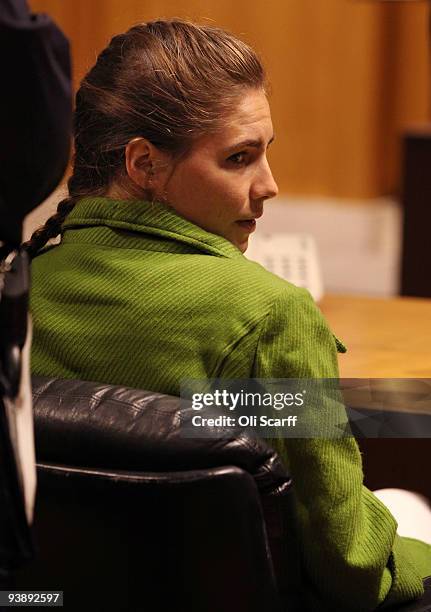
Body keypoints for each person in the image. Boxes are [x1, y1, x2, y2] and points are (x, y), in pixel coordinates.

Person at [26, 19, 431, 611]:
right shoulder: (271, 315)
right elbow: (352, 566)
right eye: (239, 158)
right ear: (143, 165)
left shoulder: (21, 287)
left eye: (265, 153)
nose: (270, 185)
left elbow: (194, 406)